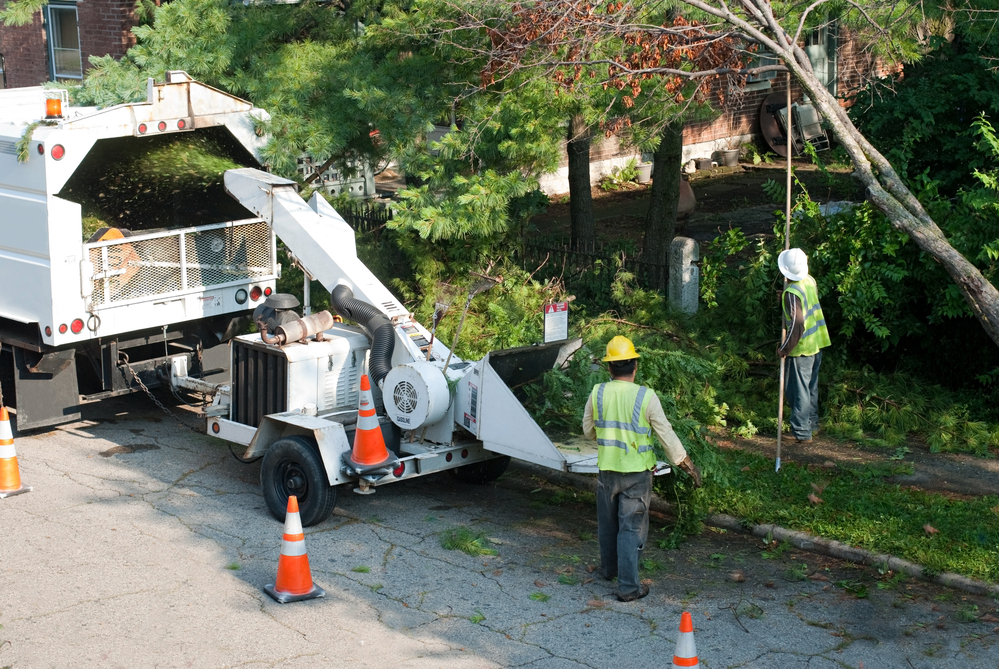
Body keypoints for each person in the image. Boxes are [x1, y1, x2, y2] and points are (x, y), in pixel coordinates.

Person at [582, 335, 702, 602]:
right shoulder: (646, 397)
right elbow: (666, 435)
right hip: (637, 475)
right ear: (635, 366)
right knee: (631, 527)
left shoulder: (598, 392)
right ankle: (627, 587)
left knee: (608, 524)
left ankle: (610, 570)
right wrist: (687, 465)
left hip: (607, 472)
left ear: (609, 367)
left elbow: (588, 431)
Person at [776, 248, 831, 444]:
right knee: (810, 387)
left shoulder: (792, 293)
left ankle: (801, 431)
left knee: (798, 391)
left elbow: (797, 326)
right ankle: (812, 424)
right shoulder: (809, 281)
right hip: (816, 343)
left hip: (801, 349)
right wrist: (784, 299)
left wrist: (784, 349)